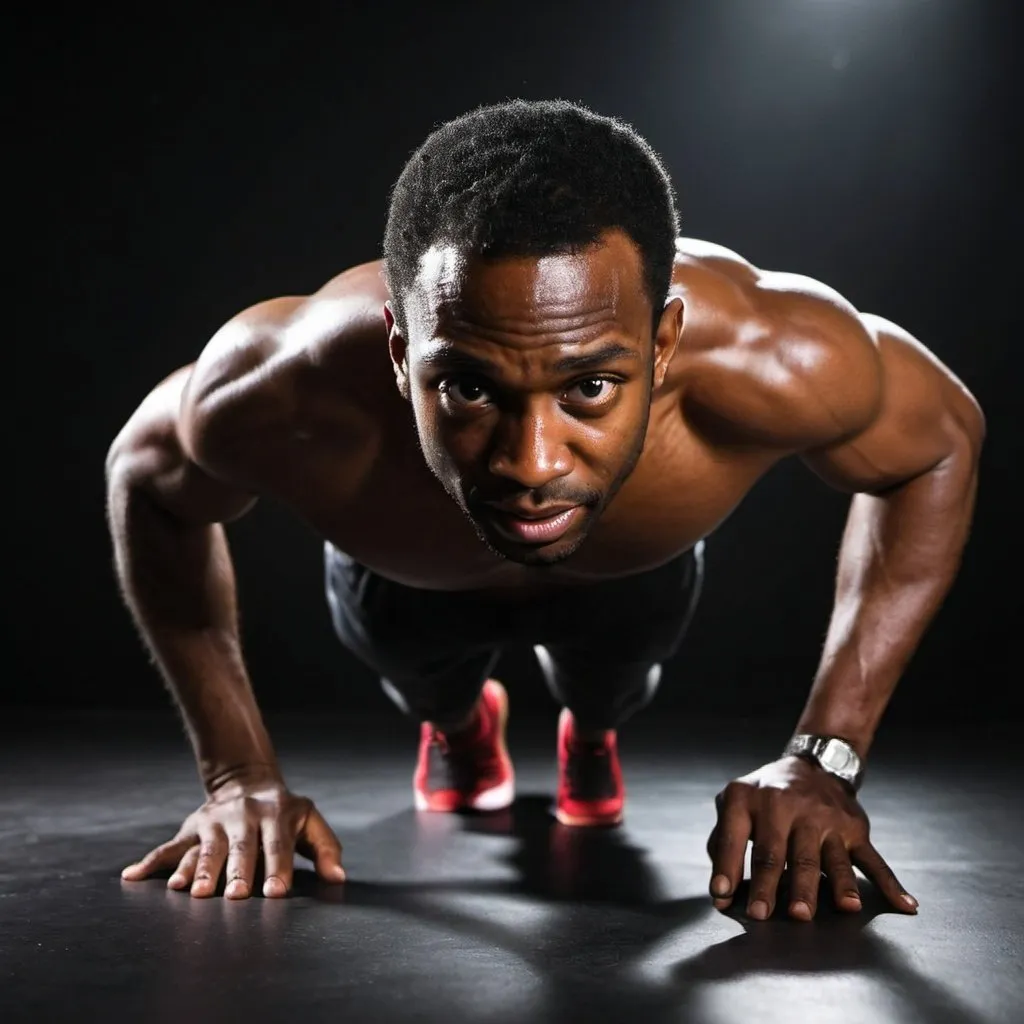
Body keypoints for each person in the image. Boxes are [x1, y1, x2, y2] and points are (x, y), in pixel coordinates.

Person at [106, 99, 984, 921]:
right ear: (401, 353)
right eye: (471, 387)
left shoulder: (773, 354)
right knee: (427, 681)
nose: (531, 465)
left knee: (610, 689)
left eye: (591, 385)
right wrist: (236, 778)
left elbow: (940, 439)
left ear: (664, 342)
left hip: (633, 578)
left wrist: (823, 759)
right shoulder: (285, 383)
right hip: (404, 582)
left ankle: (591, 729)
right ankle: (457, 726)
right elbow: (145, 476)